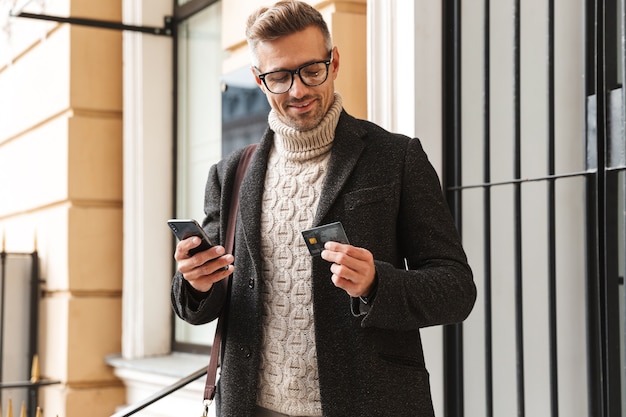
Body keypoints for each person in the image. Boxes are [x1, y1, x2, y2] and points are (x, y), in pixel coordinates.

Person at [171, 1, 476, 416]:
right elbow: (199, 306)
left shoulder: (397, 157)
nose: (297, 90)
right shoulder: (230, 174)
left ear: (333, 62)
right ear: (259, 81)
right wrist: (195, 283)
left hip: (370, 404)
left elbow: (456, 290)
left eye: (310, 71)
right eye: (279, 76)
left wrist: (376, 284)